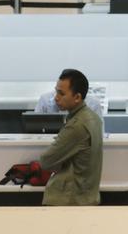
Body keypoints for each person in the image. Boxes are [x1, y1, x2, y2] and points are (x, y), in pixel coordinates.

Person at [38, 69, 103, 206]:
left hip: (68, 201)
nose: (56, 97)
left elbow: (46, 161)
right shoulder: (93, 118)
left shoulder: (76, 126)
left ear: (77, 97)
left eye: (61, 93)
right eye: (56, 91)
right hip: (86, 197)